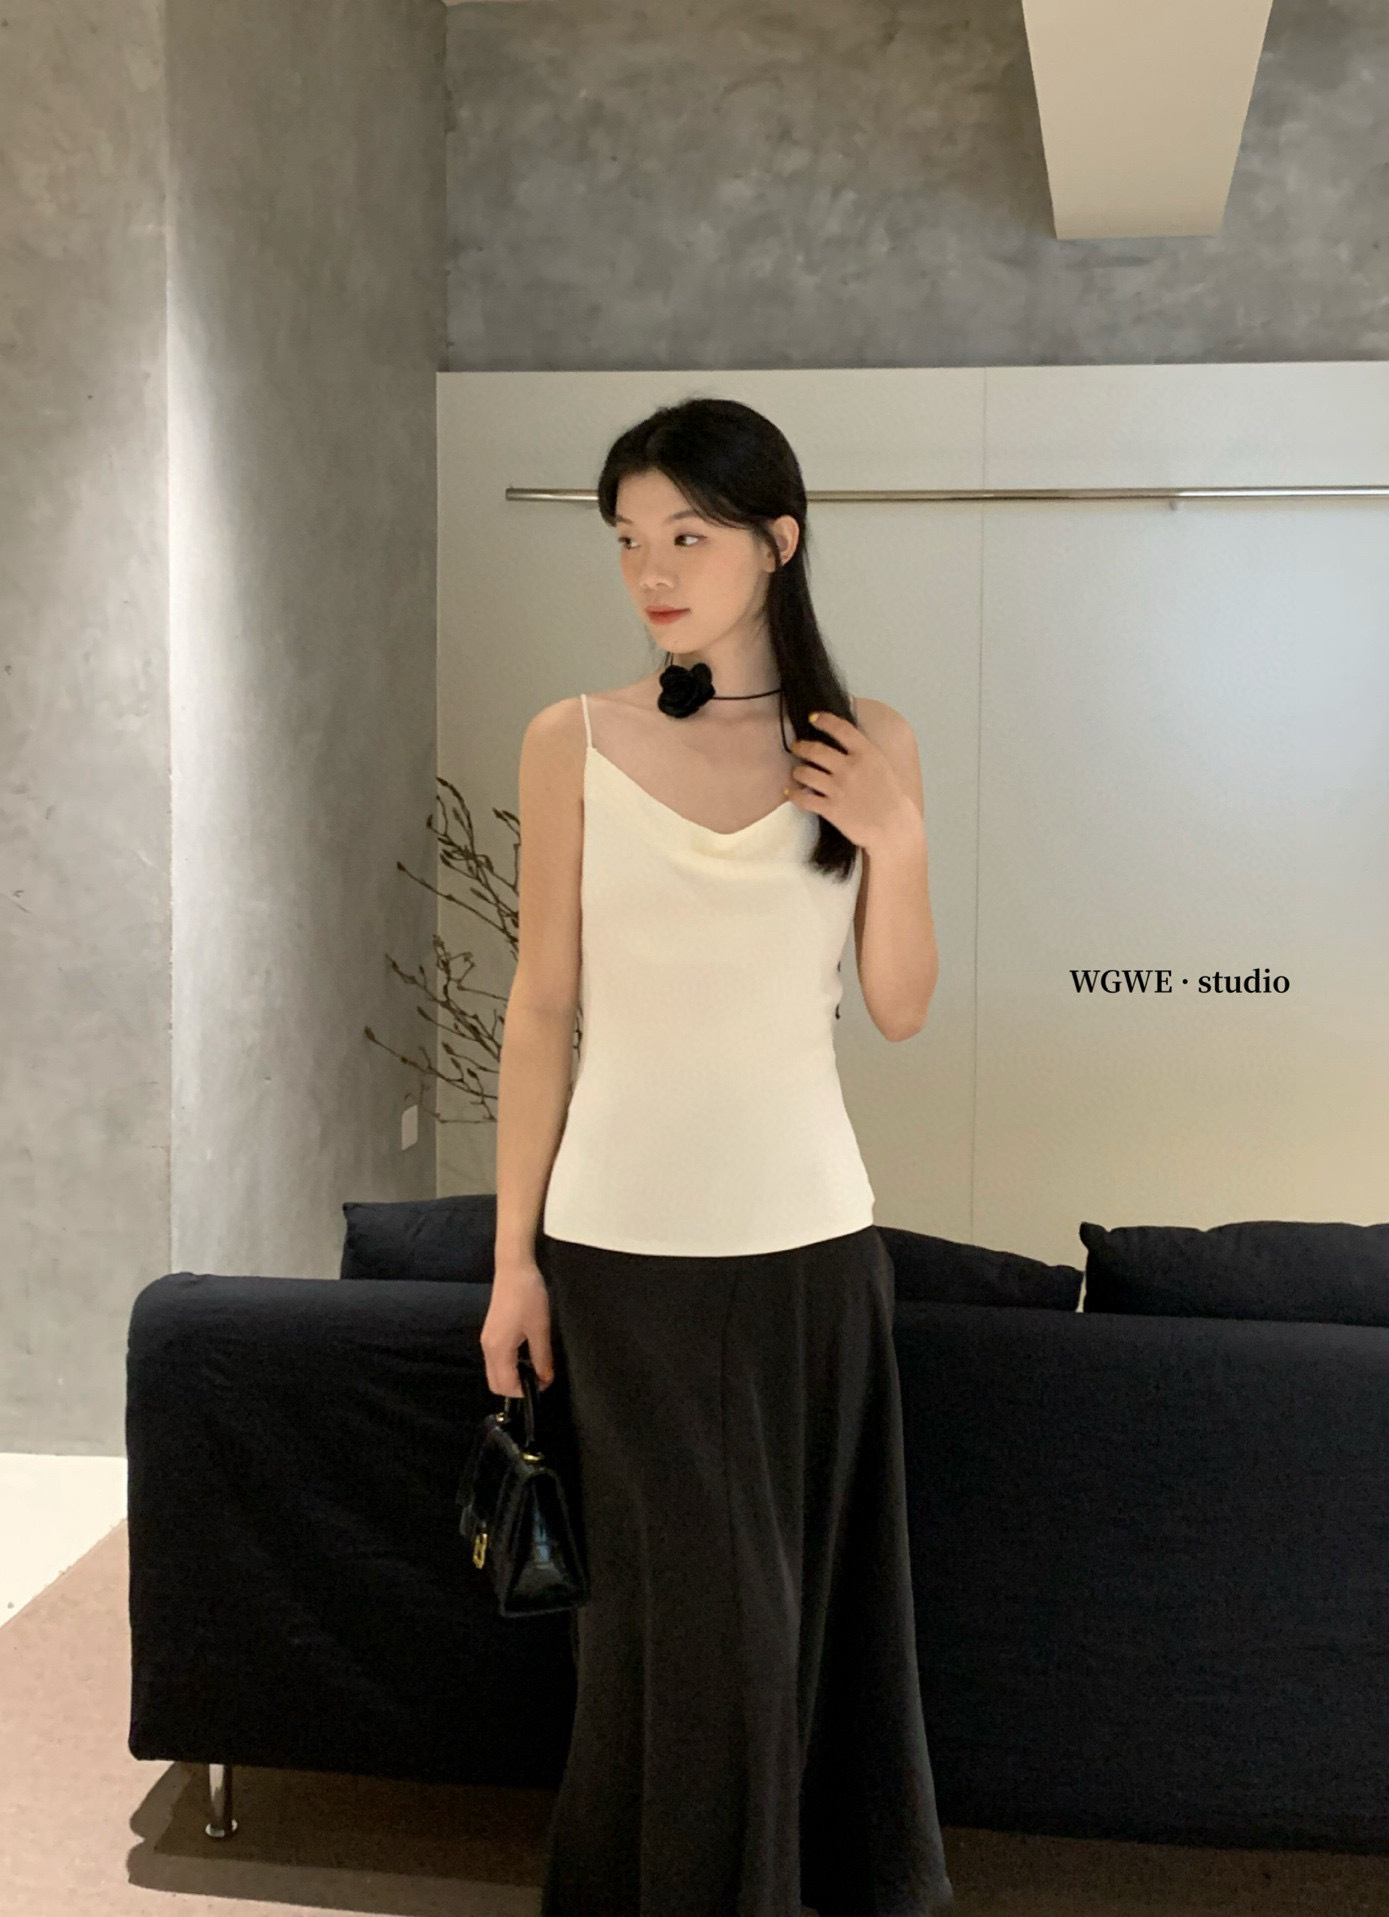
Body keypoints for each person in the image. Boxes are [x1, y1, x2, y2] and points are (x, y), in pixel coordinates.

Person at [481, 395, 954, 1917]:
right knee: (677, 1637)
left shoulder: (872, 745)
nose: (652, 572)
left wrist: (900, 840)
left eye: (688, 534)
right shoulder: (572, 739)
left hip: (812, 1248)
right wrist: (511, 1264)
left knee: (802, 1627)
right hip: (620, 1254)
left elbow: (899, 1007)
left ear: (778, 542)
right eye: (629, 539)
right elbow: (540, 1008)